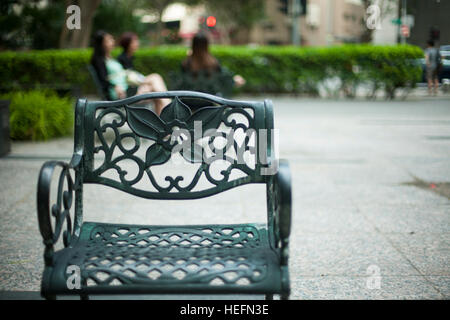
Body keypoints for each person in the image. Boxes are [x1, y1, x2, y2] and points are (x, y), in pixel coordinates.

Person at [90, 30, 169, 115]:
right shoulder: (99, 60)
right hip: (121, 94)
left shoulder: (111, 58)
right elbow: (103, 79)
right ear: (101, 43)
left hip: (127, 88)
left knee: (157, 92)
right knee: (155, 80)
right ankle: (170, 111)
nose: (112, 41)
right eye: (109, 40)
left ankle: (163, 121)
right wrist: (115, 86)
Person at [181, 32, 245, 87]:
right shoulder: (213, 62)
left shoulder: (186, 63)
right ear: (206, 45)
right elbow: (224, 78)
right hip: (211, 99)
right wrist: (234, 79)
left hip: (190, 99)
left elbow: (182, 82)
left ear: (193, 45)